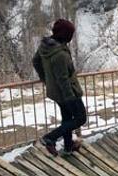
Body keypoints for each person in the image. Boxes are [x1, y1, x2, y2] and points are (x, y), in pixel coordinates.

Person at [32, 19, 87, 157]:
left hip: (56, 92)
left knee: (67, 119)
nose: (71, 37)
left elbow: (35, 61)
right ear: (65, 35)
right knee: (80, 118)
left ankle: (68, 147)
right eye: (70, 34)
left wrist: (46, 80)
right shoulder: (60, 54)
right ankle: (50, 138)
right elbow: (63, 79)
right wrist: (70, 98)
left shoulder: (46, 46)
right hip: (68, 92)